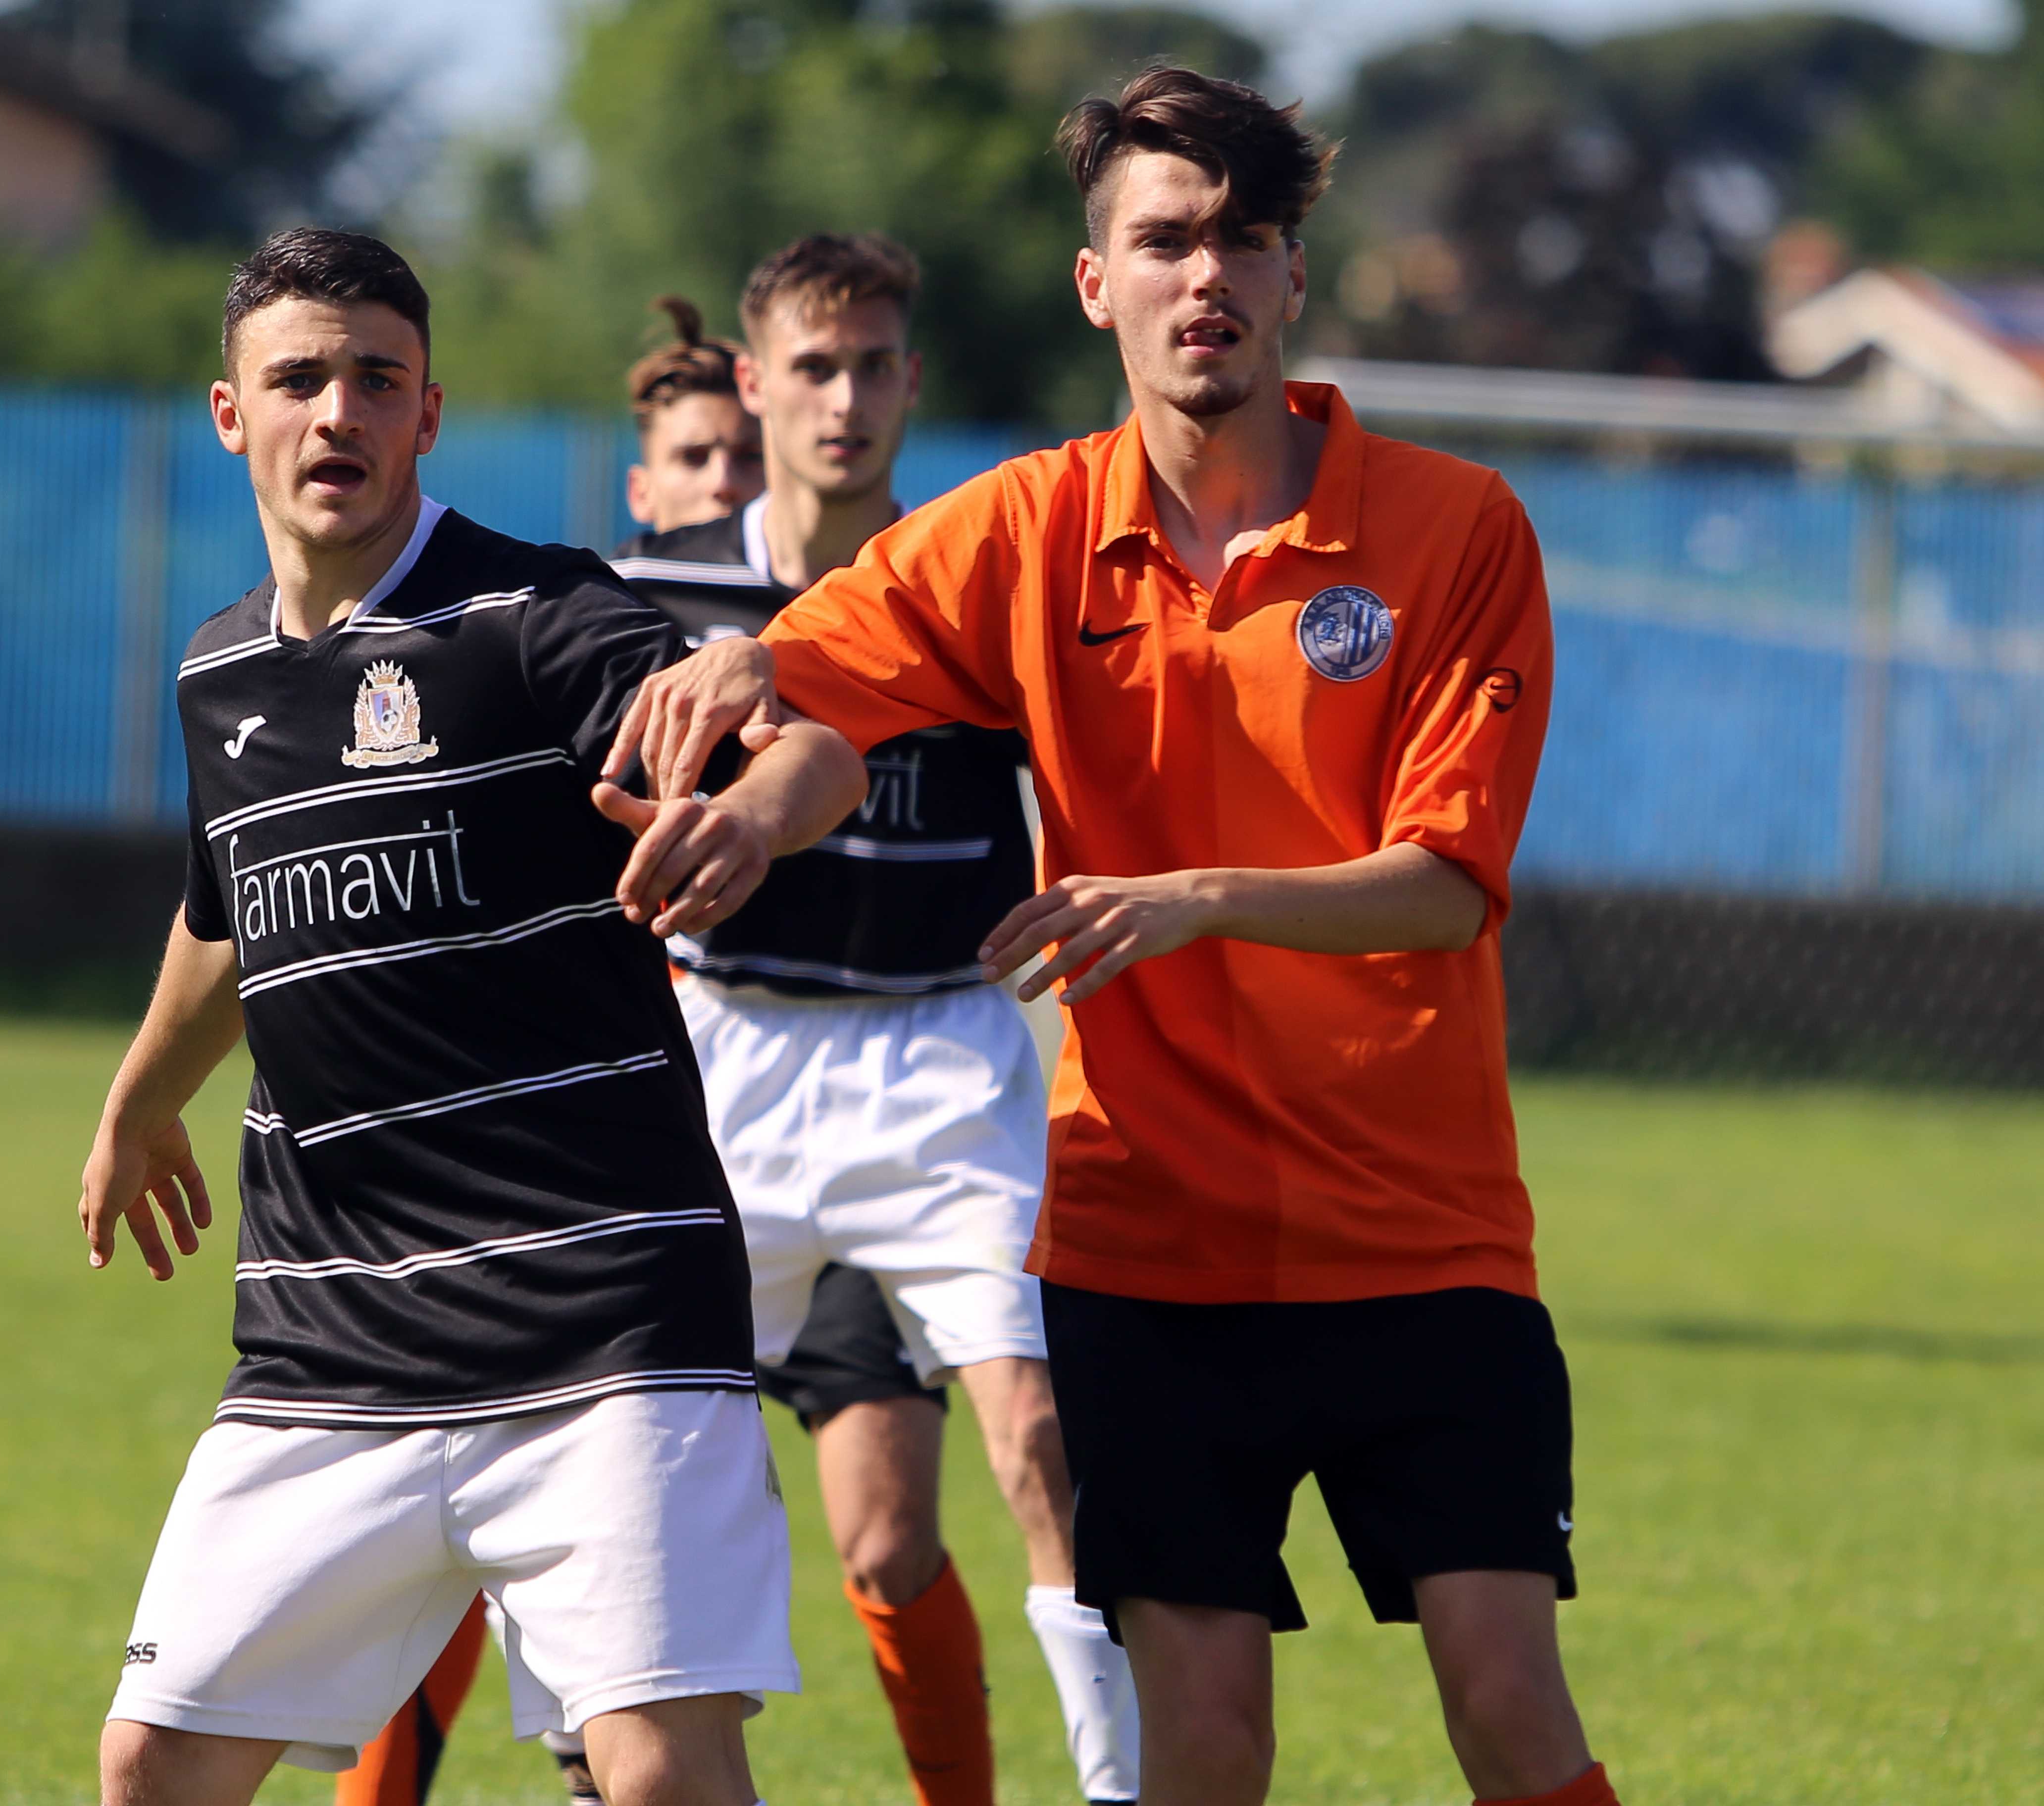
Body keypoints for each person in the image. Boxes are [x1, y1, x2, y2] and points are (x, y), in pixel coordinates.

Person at [612, 68, 1616, 1806]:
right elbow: (835, 691)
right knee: (1201, 1740)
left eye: (1242, 238)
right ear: (1100, 285)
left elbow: (1447, 879)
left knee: (1507, 1702)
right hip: (1148, 1241)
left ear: (1297, 276)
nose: (1202, 274)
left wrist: (1188, 900)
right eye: (1162, 239)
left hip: (1419, 1232)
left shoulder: (1458, 531)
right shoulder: (1030, 524)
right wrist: (743, 779)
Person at [79, 226, 868, 1806]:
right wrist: (138, 1098)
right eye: (298, 380)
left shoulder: (537, 616)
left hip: (603, 1321)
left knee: (657, 1776)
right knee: (154, 1765)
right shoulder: (219, 676)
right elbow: (227, 911)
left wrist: (751, 814)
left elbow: (811, 749)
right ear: (230, 414)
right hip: (329, 1341)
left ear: (427, 415)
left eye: (378, 379)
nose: (338, 414)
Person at [613, 233, 1143, 1806]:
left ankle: (1116, 1789)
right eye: (815, 368)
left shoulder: (983, 587)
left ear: (912, 381)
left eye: (874, 367)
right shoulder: (658, 594)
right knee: (634, 1448)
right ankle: (619, 1764)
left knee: (1035, 1429)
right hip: (731, 1057)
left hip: (946, 1052)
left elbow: (1099, 793)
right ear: (755, 382)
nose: (845, 400)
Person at [330, 291, 771, 1806]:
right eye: (693, 460)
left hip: (678, 1150)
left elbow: (768, 764)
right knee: (447, 1541)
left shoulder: (790, 635)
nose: (723, 485)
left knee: (672, 1663)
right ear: (647, 488)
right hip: (531, 1150)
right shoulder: (502, 635)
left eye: (741, 457)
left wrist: (752, 794)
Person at [624, 296, 766, 535]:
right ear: (641, 494)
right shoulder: (609, 573)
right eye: (693, 458)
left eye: (751, 457)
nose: (724, 484)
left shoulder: (837, 573)